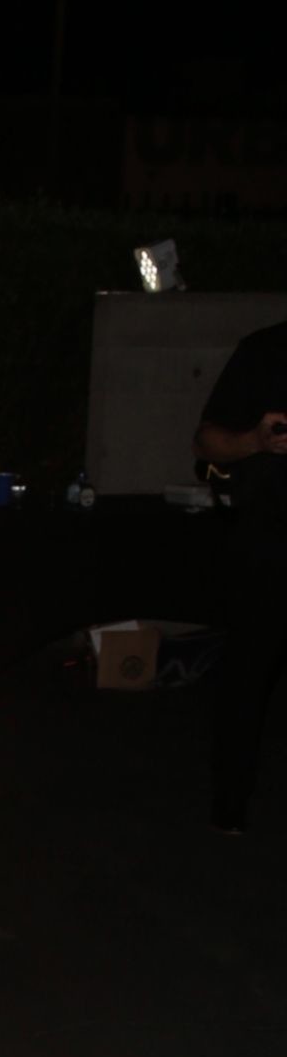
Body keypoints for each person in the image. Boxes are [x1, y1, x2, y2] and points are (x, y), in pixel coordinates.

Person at [194, 321, 287, 834]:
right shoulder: (264, 351)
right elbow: (207, 442)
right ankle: (229, 801)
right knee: (247, 677)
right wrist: (255, 440)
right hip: (270, 545)